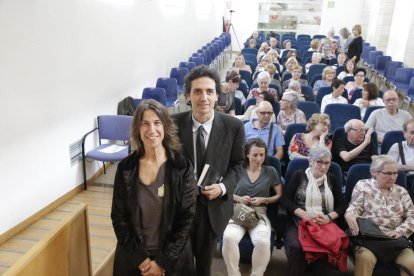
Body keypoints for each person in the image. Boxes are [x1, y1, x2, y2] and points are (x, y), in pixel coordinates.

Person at [171, 65, 245, 276]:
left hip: (213, 208)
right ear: (187, 96)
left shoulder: (233, 126)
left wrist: (223, 187)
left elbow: (238, 165)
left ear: (217, 95)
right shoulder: (173, 125)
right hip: (180, 208)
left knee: (204, 266)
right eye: (197, 91)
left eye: (209, 91)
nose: (204, 97)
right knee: (178, 264)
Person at [111, 99, 197, 276]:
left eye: (157, 123)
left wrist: (162, 263)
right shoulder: (126, 168)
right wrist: (141, 260)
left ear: (165, 126)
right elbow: (119, 217)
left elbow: (186, 219)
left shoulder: (182, 167)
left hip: (173, 260)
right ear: (137, 129)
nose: (152, 130)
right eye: (145, 124)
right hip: (134, 259)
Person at [280, 146, 347, 276]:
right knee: (297, 247)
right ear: (310, 161)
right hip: (298, 220)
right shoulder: (299, 175)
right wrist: (303, 214)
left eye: (327, 163)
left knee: (326, 247)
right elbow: (285, 199)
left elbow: (342, 205)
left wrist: (329, 217)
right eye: (319, 162)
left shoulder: (332, 179)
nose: (323, 167)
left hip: (324, 222)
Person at [222, 138, 283, 276]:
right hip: (238, 211)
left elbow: (279, 195)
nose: (259, 158)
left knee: (262, 242)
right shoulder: (238, 170)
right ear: (247, 154)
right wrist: (238, 198)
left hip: (259, 213)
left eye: (262, 155)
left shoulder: (270, 171)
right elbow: (224, 191)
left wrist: (264, 199)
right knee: (228, 238)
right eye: (255, 155)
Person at [345, 155, 414, 276]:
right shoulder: (363, 186)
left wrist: (400, 231)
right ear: (374, 172)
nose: (393, 177)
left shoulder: (401, 191)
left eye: (395, 173)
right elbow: (355, 207)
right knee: (365, 258)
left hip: (395, 240)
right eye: (388, 173)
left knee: (410, 261)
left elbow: (412, 215)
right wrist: (350, 214)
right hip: (371, 238)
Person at [388, 119, 414, 196]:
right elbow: (388, 167)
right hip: (405, 181)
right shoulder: (398, 147)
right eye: (412, 133)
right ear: (404, 133)